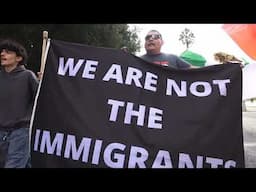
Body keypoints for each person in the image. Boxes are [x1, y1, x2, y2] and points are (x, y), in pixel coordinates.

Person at [0, 39, 39, 168]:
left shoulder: (28, 76)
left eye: (8, 52)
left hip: (21, 131)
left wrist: (44, 82)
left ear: (19, 58)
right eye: (2, 51)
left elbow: (41, 98)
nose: (2, 54)